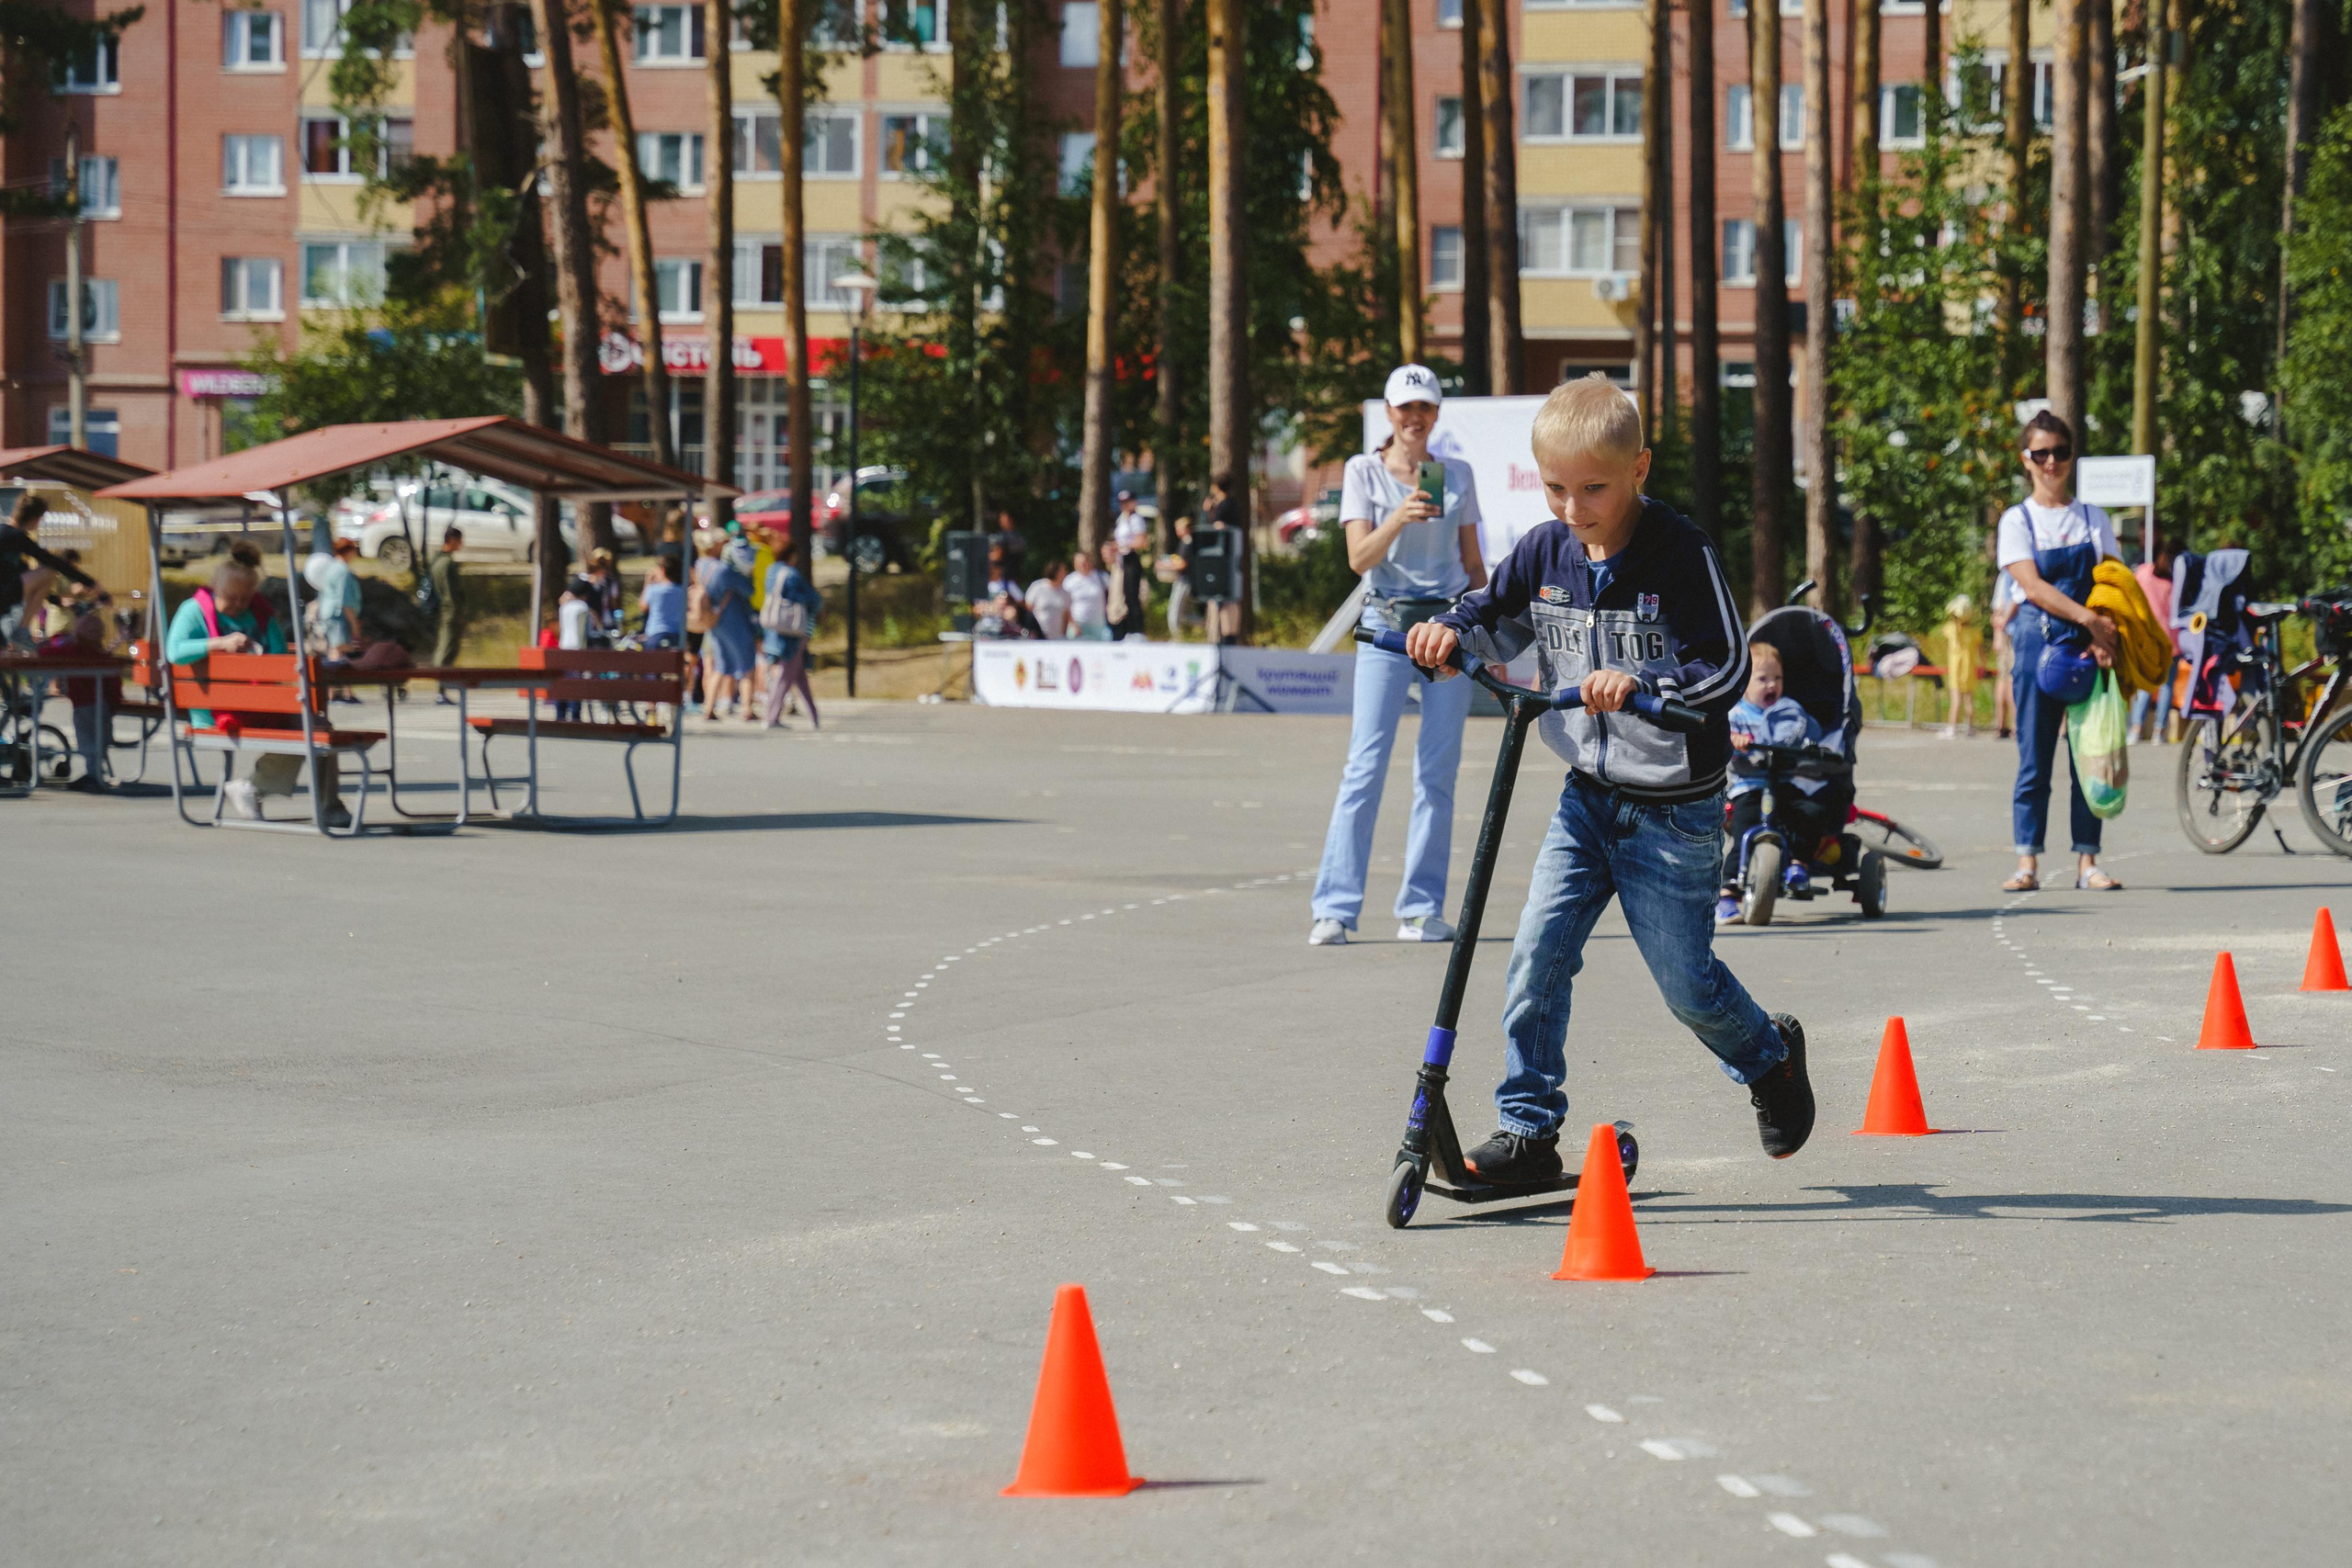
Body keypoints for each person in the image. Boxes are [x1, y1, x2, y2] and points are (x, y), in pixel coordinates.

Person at [1408, 372, 1809, 1179]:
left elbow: (1726, 663)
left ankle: (1769, 1056)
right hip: (1587, 799)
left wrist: (1651, 689)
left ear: (1639, 469)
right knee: (1534, 956)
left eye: (1592, 488)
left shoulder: (1680, 551)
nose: (1573, 507)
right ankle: (1527, 1128)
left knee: (1686, 986)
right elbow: (1494, 614)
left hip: (1675, 810)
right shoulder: (1547, 549)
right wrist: (1447, 634)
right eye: (1555, 487)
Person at [1308, 364, 1489, 945]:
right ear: (1388, 413)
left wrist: (1488, 632)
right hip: (1386, 622)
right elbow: (1359, 559)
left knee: (1437, 775)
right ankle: (1334, 908)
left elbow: (1473, 562)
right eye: (1405, 408)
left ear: (1436, 415)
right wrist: (1398, 516)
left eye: (1426, 408)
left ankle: (1419, 907)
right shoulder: (1363, 471)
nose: (1415, 417)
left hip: (1445, 628)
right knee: (1364, 767)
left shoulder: (1454, 472)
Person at [1996, 410, 2124, 893]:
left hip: (2089, 650)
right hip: (2035, 646)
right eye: (2042, 453)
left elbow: (2112, 584)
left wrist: (2103, 634)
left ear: (2072, 457)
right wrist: (2088, 618)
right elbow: (2029, 585)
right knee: (2035, 759)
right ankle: (2026, 861)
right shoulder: (2017, 520)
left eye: (2061, 452)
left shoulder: (2094, 518)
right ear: (2026, 459)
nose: (2052, 462)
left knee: (2088, 757)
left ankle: (2087, 861)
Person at [165, 547, 356, 827]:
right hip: (215, 711)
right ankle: (255, 788)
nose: (239, 604)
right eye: (231, 598)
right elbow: (175, 652)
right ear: (215, 588)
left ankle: (322, 803)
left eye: (245, 598)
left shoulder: (260, 612)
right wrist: (219, 644)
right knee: (307, 730)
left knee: (318, 728)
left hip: (262, 703)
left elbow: (278, 656)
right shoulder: (193, 611)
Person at [1716, 640, 1836, 919]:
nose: (1772, 685)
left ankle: (1798, 865)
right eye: (1762, 679)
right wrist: (1734, 740)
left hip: (1782, 783)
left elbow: (1811, 730)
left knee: (1810, 813)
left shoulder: (1789, 711)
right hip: (1750, 786)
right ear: (1744, 683)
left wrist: (1809, 742)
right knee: (1745, 829)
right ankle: (1727, 895)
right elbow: (1720, 738)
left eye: (1777, 678)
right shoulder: (1737, 715)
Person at [35, 609, 121, 790]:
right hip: (103, 705)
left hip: (82, 705)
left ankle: (93, 774)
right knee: (101, 740)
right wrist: (115, 703)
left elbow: (47, 653)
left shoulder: (71, 652)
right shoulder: (104, 658)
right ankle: (96, 772)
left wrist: (36, 647)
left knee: (87, 741)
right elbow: (115, 684)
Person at [3, 491, 96, 649]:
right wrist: (91, 583)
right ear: (35, 519)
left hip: (6, 600)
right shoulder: (14, 536)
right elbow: (52, 561)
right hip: (4, 598)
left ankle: (20, 634)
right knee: (47, 572)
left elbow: (30, 580)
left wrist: (55, 600)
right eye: (39, 521)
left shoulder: (10, 541)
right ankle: (22, 631)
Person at [696, 535, 758, 720]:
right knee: (747, 665)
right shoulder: (724, 570)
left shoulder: (700, 565)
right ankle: (747, 708)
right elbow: (749, 589)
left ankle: (709, 707)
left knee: (721, 665)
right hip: (734, 620)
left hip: (714, 621)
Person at [759, 554, 823, 728]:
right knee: (785, 675)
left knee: (799, 676)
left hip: (775, 627)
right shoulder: (792, 575)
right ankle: (771, 717)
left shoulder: (771, 571)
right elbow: (814, 600)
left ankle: (814, 716)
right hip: (793, 630)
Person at [2129, 540, 2181, 743]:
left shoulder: (2142, 573)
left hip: (2147, 637)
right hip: (2170, 640)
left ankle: (2135, 728)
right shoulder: (2174, 583)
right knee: (2167, 686)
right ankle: (2159, 731)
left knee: (2145, 685)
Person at [428, 525, 465, 699]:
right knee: (447, 648)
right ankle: (440, 690)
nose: (461, 545)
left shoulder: (436, 560)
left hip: (440, 611)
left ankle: (442, 688)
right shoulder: (447, 564)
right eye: (459, 541)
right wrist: (457, 614)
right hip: (448, 612)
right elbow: (451, 594)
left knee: (444, 647)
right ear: (451, 540)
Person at [1937, 592, 1980, 739]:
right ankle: (1970, 727)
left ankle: (1952, 727)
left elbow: (1947, 626)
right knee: (1969, 700)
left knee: (1956, 700)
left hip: (1956, 669)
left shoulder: (1951, 629)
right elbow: (1981, 651)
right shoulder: (1974, 632)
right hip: (1970, 669)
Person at [1990, 569, 2018, 740]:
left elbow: (1997, 608)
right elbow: (2015, 599)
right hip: (2015, 630)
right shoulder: (2016, 571)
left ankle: (2000, 725)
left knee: (2003, 678)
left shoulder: (2003, 574)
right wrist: (2006, 622)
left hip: (2003, 631)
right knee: (2012, 679)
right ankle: (2016, 726)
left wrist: (1997, 634)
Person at [1102, 537, 1148, 640]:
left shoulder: (1125, 568)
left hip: (1125, 615)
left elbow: (1142, 588)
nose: (1104, 557)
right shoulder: (1112, 570)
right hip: (1114, 617)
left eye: (1106, 553)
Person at [1159, 515, 1196, 639]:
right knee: (1185, 614)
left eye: (1179, 528)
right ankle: (1192, 632)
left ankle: (1176, 637)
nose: (1177, 531)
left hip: (1184, 582)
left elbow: (1182, 564)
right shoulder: (1187, 542)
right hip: (1186, 581)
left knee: (1174, 611)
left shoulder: (1188, 543)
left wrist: (1166, 566)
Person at [1064, 547, 1110, 640]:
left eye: (1085, 562)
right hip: (1078, 625)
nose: (1083, 565)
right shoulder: (1069, 581)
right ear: (1075, 564)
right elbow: (1064, 605)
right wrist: (1072, 624)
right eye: (1080, 563)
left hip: (1099, 626)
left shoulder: (1102, 577)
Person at [640, 554, 684, 648]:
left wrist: (648, 582)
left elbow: (643, 606)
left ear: (662, 570)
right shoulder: (682, 591)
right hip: (677, 633)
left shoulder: (653, 589)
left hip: (656, 633)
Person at [1024, 557, 1071, 639]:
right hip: (1037, 635)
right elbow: (1028, 608)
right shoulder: (1037, 587)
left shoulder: (1065, 593)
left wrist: (1063, 635)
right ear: (1055, 572)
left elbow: (1065, 616)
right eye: (1063, 571)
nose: (1066, 574)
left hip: (1056, 637)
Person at [1112, 490, 1149, 556]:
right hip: (1121, 557)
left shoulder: (1136, 519)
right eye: (1122, 503)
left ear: (1134, 502)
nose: (1125, 505)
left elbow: (1141, 541)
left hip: (1131, 556)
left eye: (1128, 502)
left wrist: (1122, 546)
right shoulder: (1122, 519)